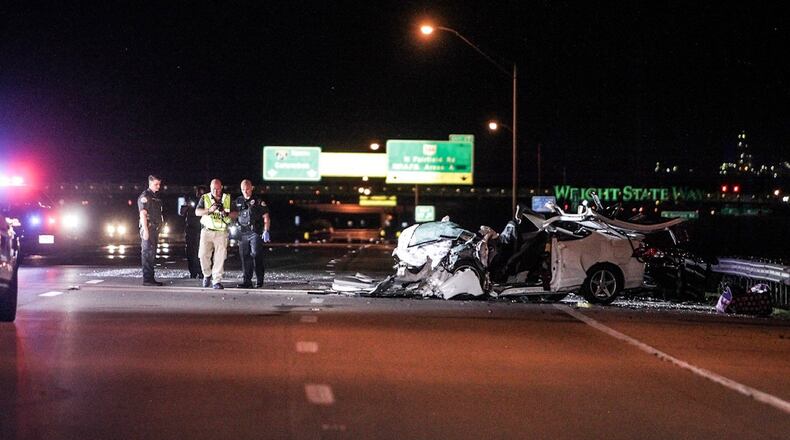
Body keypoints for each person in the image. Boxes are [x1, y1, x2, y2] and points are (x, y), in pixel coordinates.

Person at [195, 179, 236, 289]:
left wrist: (225, 212)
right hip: (207, 231)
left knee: (220, 257)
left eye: (218, 189)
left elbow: (235, 213)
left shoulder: (227, 198)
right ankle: (207, 274)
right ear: (210, 188)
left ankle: (216, 280)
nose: (216, 191)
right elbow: (197, 212)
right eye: (214, 189)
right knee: (203, 255)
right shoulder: (205, 197)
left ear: (221, 187)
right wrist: (209, 210)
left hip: (221, 232)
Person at [234, 179, 271, 288]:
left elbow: (266, 217)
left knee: (256, 255)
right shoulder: (237, 201)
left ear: (252, 188)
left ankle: (259, 280)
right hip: (242, 233)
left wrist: (266, 230)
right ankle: (247, 281)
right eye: (243, 189)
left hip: (255, 232)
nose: (245, 191)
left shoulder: (258, 201)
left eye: (247, 189)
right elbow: (233, 215)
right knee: (244, 257)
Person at [138, 175, 164, 286]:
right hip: (148, 228)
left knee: (152, 254)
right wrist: (145, 230)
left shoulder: (155, 196)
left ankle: (150, 278)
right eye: (156, 184)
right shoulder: (145, 196)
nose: (158, 186)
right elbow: (143, 214)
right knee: (147, 253)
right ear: (150, 183)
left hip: (154, 228)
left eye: (159, 184)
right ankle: (147, 279)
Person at [179, 185, 207, 278]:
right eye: (199, 192)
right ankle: (193, 272)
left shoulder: (207, 202)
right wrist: (187, 206)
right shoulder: (191, 200)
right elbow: (182, 212)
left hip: (202, 229)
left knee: (201, 252)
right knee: (191, 252)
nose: (200, 194)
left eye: (202, 192)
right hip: (191, 229)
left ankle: (201, 271)